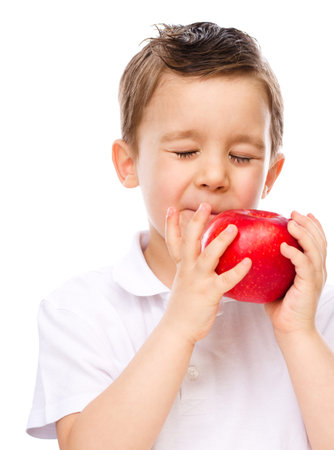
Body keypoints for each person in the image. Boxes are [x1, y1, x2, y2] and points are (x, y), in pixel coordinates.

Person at [26, 22, 334, 449]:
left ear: (271, 176)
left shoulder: (310, 305)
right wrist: (178, 326)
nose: (213, 176)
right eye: (186, 151)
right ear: (129, 163)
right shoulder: (81, 310)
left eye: (242, 156)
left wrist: (299, 335)